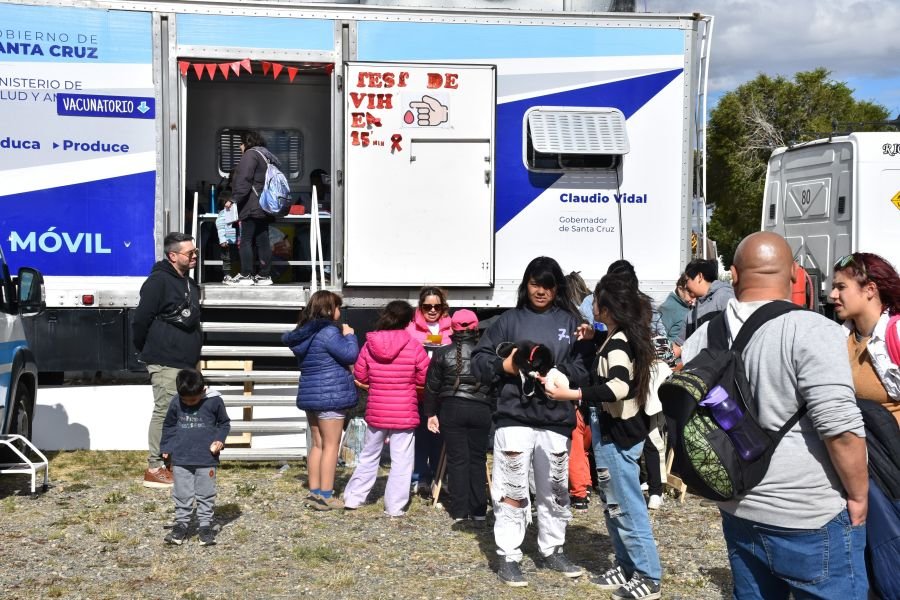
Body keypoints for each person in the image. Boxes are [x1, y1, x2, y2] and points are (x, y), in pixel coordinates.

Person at [682, 232, 868, 599]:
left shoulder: (702, 337)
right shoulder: (814, 330)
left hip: (738, 509)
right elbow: (841, 430)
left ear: (734, 275)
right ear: (796, 275)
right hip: (809, 515)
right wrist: (859, 496)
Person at [471, 256, 588, 587]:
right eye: (536, 284)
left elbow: (584, 366)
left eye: (548, 285)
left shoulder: (571, 322)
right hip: (514, 417)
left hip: (556, 419)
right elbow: (478, 361)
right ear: (526, 285)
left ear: (557, 288)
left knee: (555, 489)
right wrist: (505, 366)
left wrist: (559, 373)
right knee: (512, 488)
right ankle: (509, 555)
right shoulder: (507, 321)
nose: (541, 291)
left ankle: (553, 548)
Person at [547, 271, 664, 599]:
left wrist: (573, 394)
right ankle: (626, 567)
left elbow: (619, 386)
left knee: (626, 508)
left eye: (596, 302)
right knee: (614, 506)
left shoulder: (619, 343)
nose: (591, 306)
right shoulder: (616, 336)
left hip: (618, 435)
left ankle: (648, 576)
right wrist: (595, 335)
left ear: (607, 309)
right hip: (611, 432)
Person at [343, 301, 430, 517]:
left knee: (369, 455)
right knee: (402, 460)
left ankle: (353, 498)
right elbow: (424, 377)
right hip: (404, 410)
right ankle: (394, 506)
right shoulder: (413, 345)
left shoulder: (369, 344)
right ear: (408, 321)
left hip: (377, 408)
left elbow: (360, 376)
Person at [133, 232, 203, 489]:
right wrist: (147, 348)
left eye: (195, 252)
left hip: (186, 360)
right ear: (173, 256)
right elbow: (140, 319)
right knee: (165, 410)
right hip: (165, 359)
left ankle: (172, 461)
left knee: (181, 412)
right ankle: (154, 467)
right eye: (190, 253)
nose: (194, 256)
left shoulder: (190, 283)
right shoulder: (158, 281)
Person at [283, 290, 359, 511]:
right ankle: (326, 496)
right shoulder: (329, 333)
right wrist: (350, 335)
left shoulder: (304, 334)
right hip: (331, 395)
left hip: (311, 394)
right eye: (338, 307)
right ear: (328, 309)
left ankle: (315, 491)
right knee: (331, 446)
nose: (339, 311)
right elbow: (350, 355)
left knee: (317, 444)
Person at [424, 309, 492, 526]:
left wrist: (430, 413)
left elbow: (431, 387)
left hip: (451, 408)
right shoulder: (487, 354)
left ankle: (460, 511)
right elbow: (495, 386)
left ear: (452, 329)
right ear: (476, 328)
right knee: (478, 459)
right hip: (481, 408)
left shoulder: (442, 353)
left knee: (457, 459)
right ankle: (479, 511)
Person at [160, 369, 231, 546]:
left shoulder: (215, 401)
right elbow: (169, 425)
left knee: (206, 493)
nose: (189, 403)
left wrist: (219, 440)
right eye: (185, 400)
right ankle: (181, 525)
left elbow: (224, 424)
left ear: (203, 390)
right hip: (181, 458)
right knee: (181, 493)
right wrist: (166, 447)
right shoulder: (176, 401)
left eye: (193, 400)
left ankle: (205, 526)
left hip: (206, 458)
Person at [830, 252, 900, 422]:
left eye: (841, 287)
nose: (833, 295)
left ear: (870, 289)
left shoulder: (896, 333)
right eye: (834, 287)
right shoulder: (837, 338)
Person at [406, 286, 453, 496]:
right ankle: (419, 477)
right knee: (420, 436)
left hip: (443, 392)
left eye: (437, 306)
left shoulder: (450, 328)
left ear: (443, 307)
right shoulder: (410, 328)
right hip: (418, 391)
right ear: (420, 307)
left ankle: (438, 476)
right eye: (427, 307)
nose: (432, 310)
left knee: (439, 436)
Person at [224, 130, 278, 286]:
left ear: (247, 143)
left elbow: (244, 180)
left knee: (246, 240)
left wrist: (233, 199)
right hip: (264, 205)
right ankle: (264, 275)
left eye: (241, 143)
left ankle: (246, 275)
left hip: (251, 205)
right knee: (262, 241)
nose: (240, 147)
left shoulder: (250, 155)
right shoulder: (267, 156)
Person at [564, 271, 595, 512]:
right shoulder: (592, 317)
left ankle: (579, 492)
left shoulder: (569, 321)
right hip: (593, 389)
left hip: (574, 391)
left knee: (575, 441)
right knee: (584, 441)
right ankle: (585, 484)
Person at [675, 258, 735, 348]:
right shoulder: (691, 314)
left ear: (699, 277)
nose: (686, 285)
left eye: (687, 280)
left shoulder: (725, 298)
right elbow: (679, 345)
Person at [657, 273, 693, 349]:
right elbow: (659, 339)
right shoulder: (668, 308)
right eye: (690, 294)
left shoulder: (687, 305)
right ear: (680, 289)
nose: (694, 300)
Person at [214, 190, 239, 283]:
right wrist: (222, 239)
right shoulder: (223, 213)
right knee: (227, 259)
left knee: (234, 259)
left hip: (235, 240)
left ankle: (234, 275)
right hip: (228, 240)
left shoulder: (234, 211)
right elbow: (220, 226)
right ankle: (227, 275)